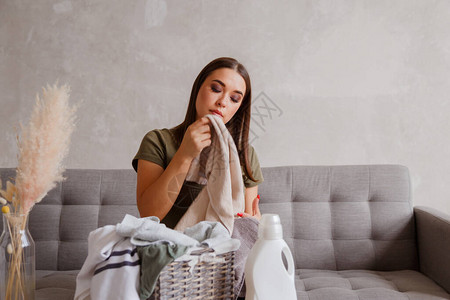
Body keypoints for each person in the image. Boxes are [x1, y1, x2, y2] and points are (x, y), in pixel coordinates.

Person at [132, 57, 264, 229]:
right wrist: (185, 154)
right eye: (216, 89)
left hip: (221, 251)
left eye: (234, 99)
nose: (222, 102)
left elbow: (249, 219)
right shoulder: (158, 141)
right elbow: (149, 214)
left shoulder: (245, 154)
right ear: (198, 88)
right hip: (167, 251)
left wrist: (253, 224)